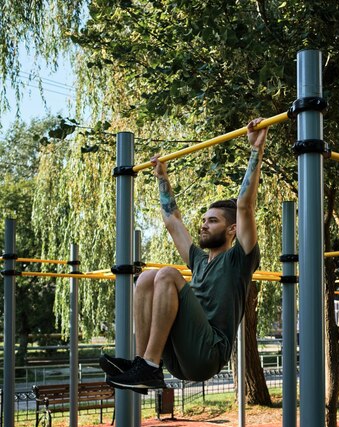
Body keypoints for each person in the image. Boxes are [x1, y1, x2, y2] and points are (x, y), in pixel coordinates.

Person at [100, 117, 267, 391]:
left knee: (167, 274)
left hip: (208, 354)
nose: (203, 224)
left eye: (213, 221)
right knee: (145, 278)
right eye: (204, 219)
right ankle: (143, 364)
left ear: (232, 230)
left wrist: (255, 150)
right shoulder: (199, 261)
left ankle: (149, 367)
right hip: (179, 357)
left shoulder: (240, 260)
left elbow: (245, 206)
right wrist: (162, 177)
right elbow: (171, 220)